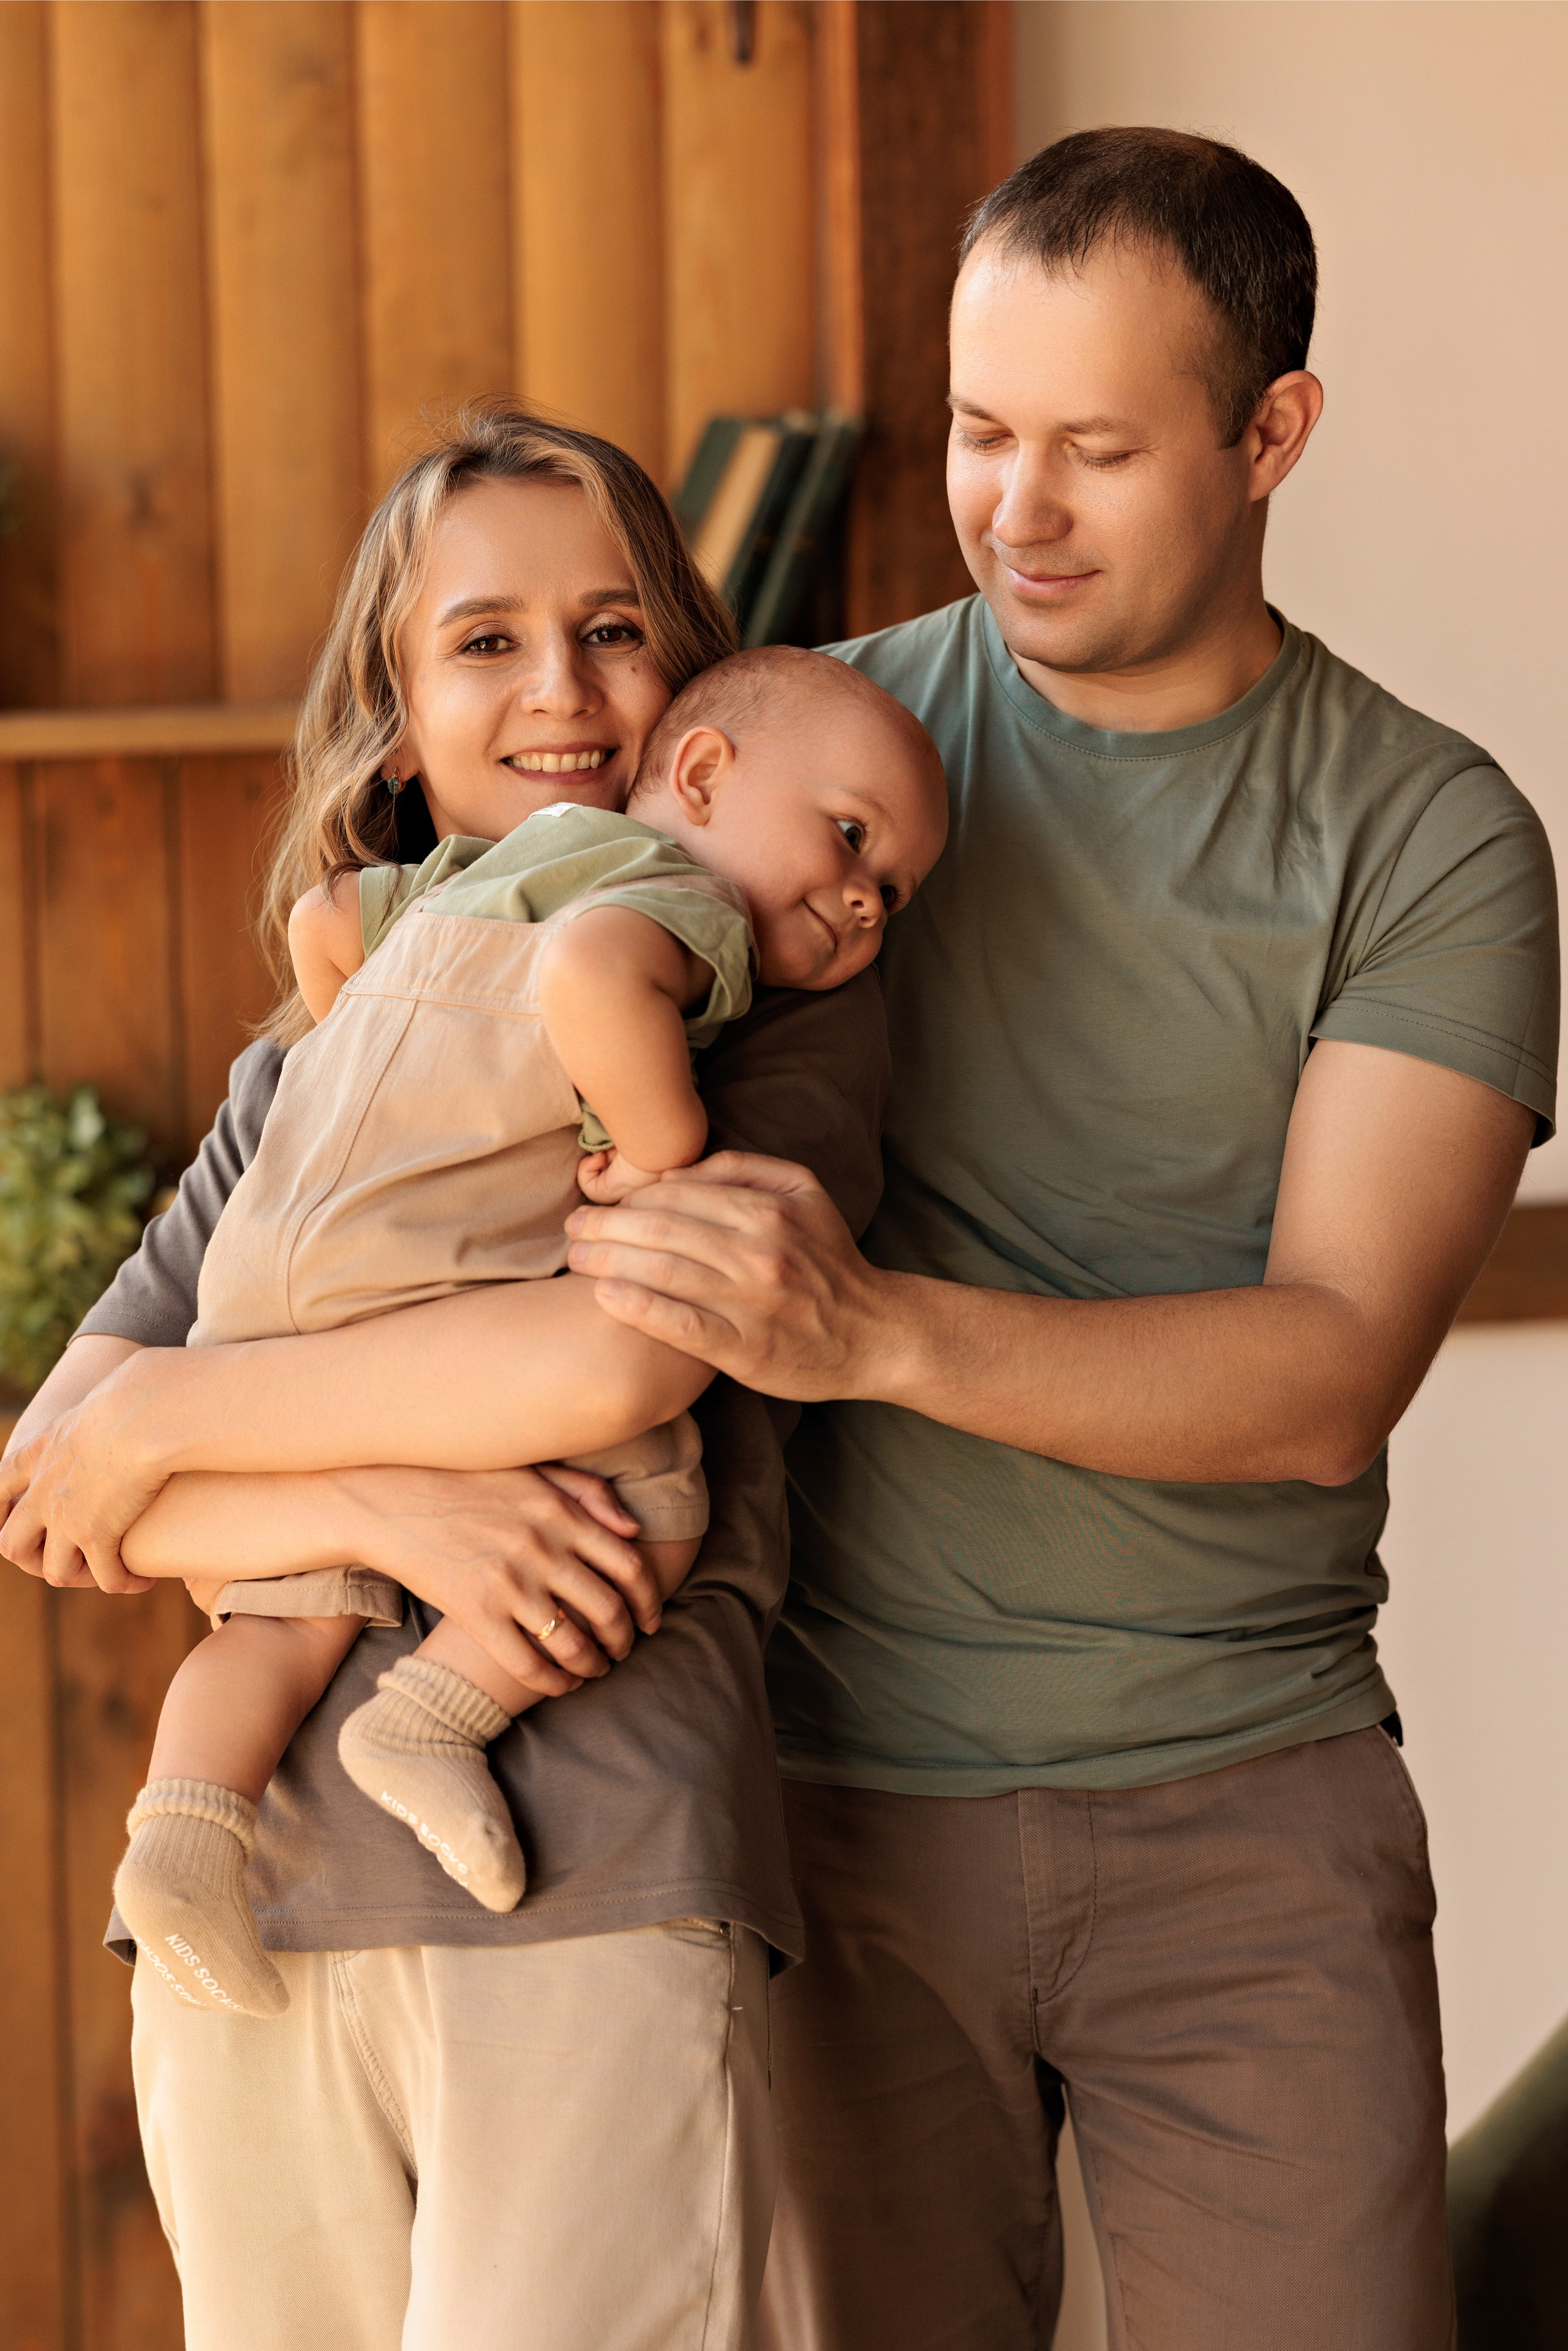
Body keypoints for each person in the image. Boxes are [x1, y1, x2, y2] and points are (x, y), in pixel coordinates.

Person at [556, 132, 1561, 2348]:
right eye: (981, 431)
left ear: (1272, 430)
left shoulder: (1434, 836)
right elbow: (452, 1036)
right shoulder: (821, 748)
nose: (1015, 506)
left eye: (1096, 446)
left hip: (1253, 1813)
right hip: (818, 1801)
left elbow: (1323, 1378)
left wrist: (872, 1330)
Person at [0, 405, 903, 2351]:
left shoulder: (767, 999)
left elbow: (610, 1353)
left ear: (693, 698)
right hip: (242, 1908)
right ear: (397, 717)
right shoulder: (307, 1066)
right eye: (486, 640)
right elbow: (60, 1471)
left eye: (613, 629)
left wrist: (184, 1422)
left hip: (593, 1879)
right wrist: (383, 1498)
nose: (561, 689)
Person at [114, 638, 943, 2009]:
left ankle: (182, 1831)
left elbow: (324, 922)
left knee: (270, 1626)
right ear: (700, 770)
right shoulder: (687, 903)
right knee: (655, 1508)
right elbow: (591, 976)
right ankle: (435, 1715)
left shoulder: (490, 862)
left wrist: (353, 1089)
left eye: (890, 889)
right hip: (422, 1276)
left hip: (277, 1258)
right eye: (848, 836)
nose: (860, 898)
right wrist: (659, 1148)